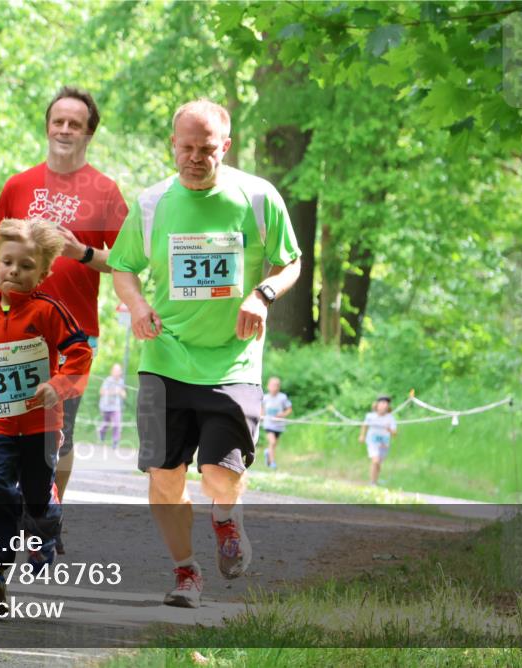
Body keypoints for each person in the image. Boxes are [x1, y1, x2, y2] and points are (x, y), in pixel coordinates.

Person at [109, 99, 302, 608]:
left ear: (226, 146)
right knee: (164, 477)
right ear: (173, 145)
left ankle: (225, 517)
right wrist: (137, 305)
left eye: (207, 149)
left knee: (220, 475)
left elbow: (290, 262)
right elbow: (123, 266)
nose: (196, 158)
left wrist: (262, 295)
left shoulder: (257, 198)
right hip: (164, 359)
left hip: (232, 362)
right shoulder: (151, 204)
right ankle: (186, 572)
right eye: (187, 147)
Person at [0, 86, 128, 517]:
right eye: (58, 121)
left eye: (75, 124)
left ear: (89, 133)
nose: (65, 130)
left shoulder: (105, 191)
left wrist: (81, 252)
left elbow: (125, 261)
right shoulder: (19, 184)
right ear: (48, 127)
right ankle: (15, 512)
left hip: (73, 334)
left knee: (57, 434)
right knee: (10, 429)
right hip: (15, 328)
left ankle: (45, 520)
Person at [0, 218, 92, 610]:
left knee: (35, 496)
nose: (14, 271)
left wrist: (58, 385)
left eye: (26, 266)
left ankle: (46, 526)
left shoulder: (50, 311)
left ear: (43, 274)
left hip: (40, 426)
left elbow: (80, 354)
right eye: (7, 262)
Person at [359, 395, 398, 486]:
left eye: (386, 404)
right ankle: (372, 482)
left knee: (378, 463)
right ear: (377, 405)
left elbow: (394, 433)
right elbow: (365, 426)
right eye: (383, 403)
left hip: (384, 443)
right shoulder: (370, 416)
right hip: (372, 441)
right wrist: (362, 436)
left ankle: (375, 480)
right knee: (375, 461)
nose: (385, 405)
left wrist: (389, 430)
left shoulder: (390, 418)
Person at [261, 376, 293, 469]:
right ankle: (272, 463)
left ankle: (268, 453)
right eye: (272, 385)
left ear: (279, 387)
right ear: (268, 386)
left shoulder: (283, 397)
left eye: (276, 385)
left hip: (279, 425)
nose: (274, 387)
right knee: (272, 442)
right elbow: (262, 409)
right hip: (268, 424)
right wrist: (261, 416)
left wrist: (282, 414)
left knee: (274, 444)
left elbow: (289, 409)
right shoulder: (265, 398)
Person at [97, 363, 127, 449]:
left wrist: (122, 393)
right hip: (105, 406)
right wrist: (114, 391)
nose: (117, 372)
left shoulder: (121, 381)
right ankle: (101, 432)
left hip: (115, 407)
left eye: (119, 371)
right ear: (112, 371)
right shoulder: (108, 380)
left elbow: (123, 394)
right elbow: (101, 392)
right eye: (115, 370)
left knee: (117, 424)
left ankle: (115, 441)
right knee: (106, 423)